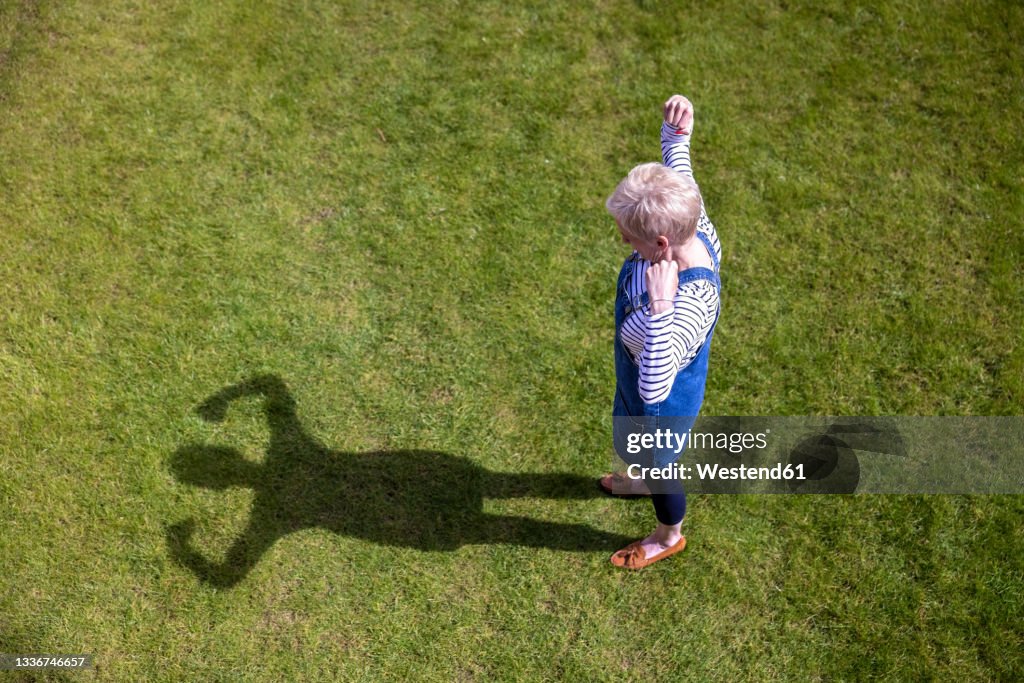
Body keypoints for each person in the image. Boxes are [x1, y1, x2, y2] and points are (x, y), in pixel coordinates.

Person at [599, 94, 722, 569]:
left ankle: (668, 533)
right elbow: (682, 179)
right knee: (629, 438)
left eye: (628, 237)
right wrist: (677, 137)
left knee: (659, 464)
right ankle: (638, 476)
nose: (623, 242)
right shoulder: (694, 218)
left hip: (660, 408)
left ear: (662, 243)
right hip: (636, 387)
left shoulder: (686, 305)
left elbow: (655, 387)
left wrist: (661, 309)